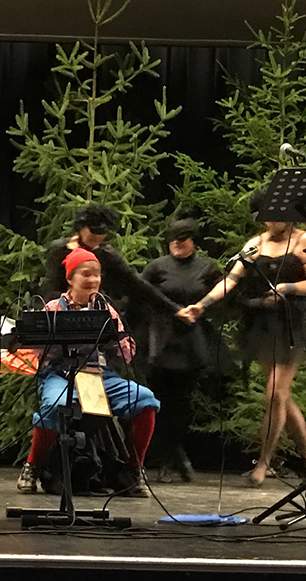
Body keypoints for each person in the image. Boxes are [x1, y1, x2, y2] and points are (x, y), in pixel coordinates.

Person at [177, 195, 306, 487]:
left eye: (275, 215)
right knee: (281, 395)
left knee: (275, 394)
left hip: (292, 324)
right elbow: (231, 279)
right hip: (263, 326)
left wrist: (288, 287)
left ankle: (263, 462)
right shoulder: (256, 244)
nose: (270, 222)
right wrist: (202, 304)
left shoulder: (304, 241)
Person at [16, 248, 159, 498]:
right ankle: (32, 467)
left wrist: (118, 338)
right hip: (61, 374)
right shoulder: (53, 308)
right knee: (54, 405)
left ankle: (132, 470)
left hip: (99, 375)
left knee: (145, 400)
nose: (92, 279)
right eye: (85, 274)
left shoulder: (107, 309)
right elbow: (34, 351)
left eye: (97, 274)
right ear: (70, 278)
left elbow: (126, 355)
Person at [139, 215, 226, 482]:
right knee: (159, 401)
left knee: (183, 404)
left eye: (183, 239)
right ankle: (169, 460)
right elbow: (141, 294)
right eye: (173, 240)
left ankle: (176, 454)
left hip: (191, 342)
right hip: (162, 341)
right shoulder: (157, 267)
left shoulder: (206, 268)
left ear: (193, 241)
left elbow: (224, 292)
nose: (178, 244)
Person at [40, 203, 179, 317]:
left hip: (97, 314)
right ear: (82, 228)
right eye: (93, 231)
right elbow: (50, 286)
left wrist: (175, 309)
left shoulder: (107, 254)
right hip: (61, 313)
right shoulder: (60, 250)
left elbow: (137, 284)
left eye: (102, 233)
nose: (97, 237)